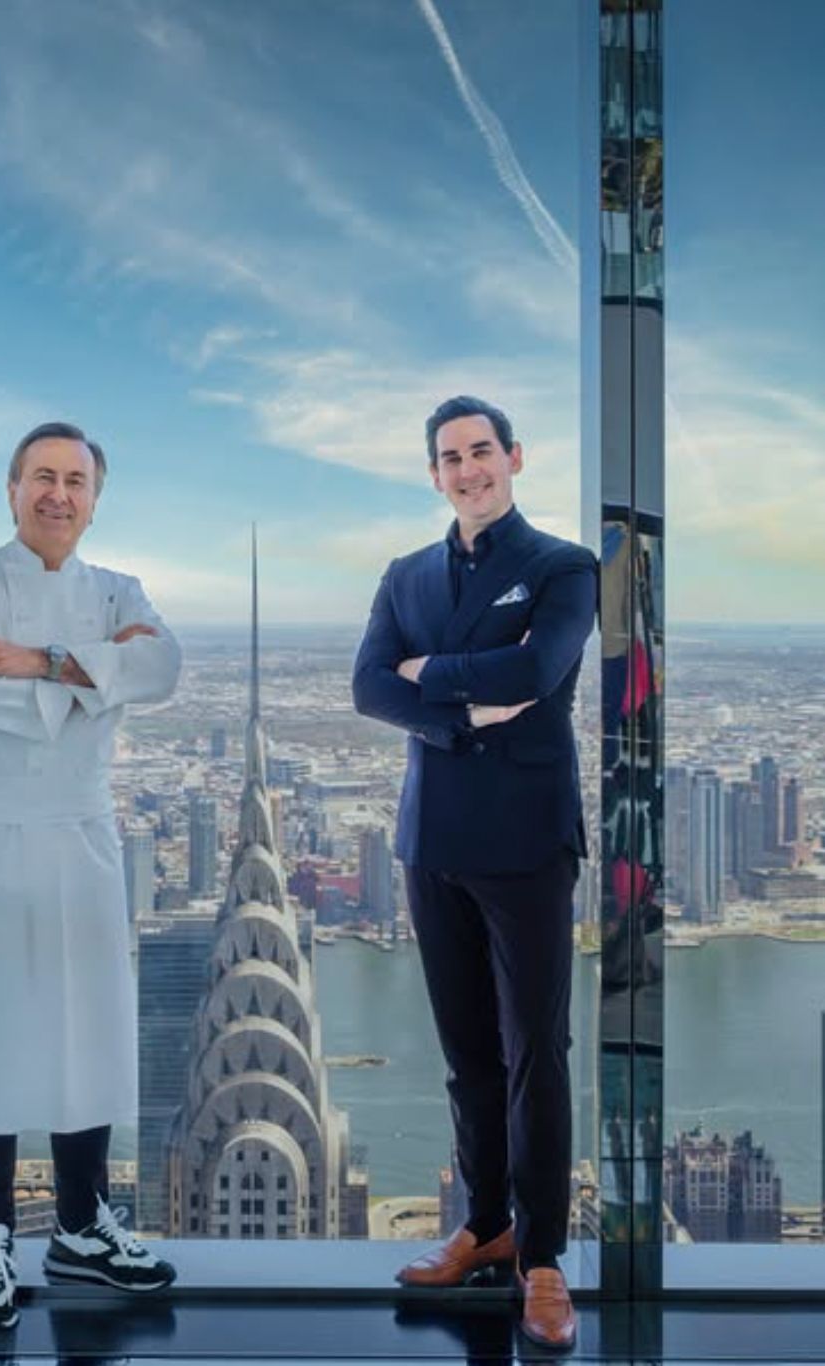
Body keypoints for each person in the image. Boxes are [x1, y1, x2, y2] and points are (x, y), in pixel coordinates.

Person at [0, 421, 181, 1333]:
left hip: (81, 831)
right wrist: (95, 683)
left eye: (75, 480)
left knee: (88, 1025)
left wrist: (33, 661)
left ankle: (81, 1224)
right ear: (11, 487)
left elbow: (163, 666)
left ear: (95, 498)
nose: (57, 494)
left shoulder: (118, 587)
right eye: (41, 476)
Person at [352, 395, 597, 1351]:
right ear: (435, 473)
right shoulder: (405, 573)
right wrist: (462, 704)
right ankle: (485, 1224)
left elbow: (540, 671)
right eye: (451, 458)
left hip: (530, 841)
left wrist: (430, 674)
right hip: (435, 841)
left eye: (482, 451)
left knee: (538, 1051)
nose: (468, 470)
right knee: (467, 1055)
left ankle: (542, 1260)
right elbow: (369, 686)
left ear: (514, 458)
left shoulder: (561, 566)